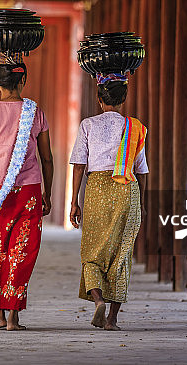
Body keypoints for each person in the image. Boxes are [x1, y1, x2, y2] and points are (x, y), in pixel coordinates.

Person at [0, 53, 53, 331]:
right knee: (22, 250)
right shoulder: (35, 112)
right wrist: (48, 193)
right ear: (23, 80)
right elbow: (47, 158)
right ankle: (13, 316)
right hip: (28, 190)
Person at [69, 73, 148, 331]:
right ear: (123, 98)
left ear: (99, 99)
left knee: (92, 252)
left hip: (98, 189)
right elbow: (141, 169)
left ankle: (98, 299)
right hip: (127, 189)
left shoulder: (88, 125)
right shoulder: (135, 126)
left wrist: (74, 201)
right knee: (121, 254)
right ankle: (112, 320)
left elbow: (79, 165)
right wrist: (141, 203)